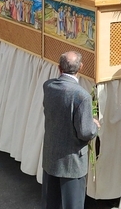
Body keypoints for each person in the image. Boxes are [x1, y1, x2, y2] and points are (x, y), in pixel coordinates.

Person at [41, 51, 100, 209]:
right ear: (81, 67)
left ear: (59, 67)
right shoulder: (81, 96)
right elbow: (85, 132)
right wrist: (94, 125)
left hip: (51, 157)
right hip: (72, 162)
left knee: (51, 203)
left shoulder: (48, 86)